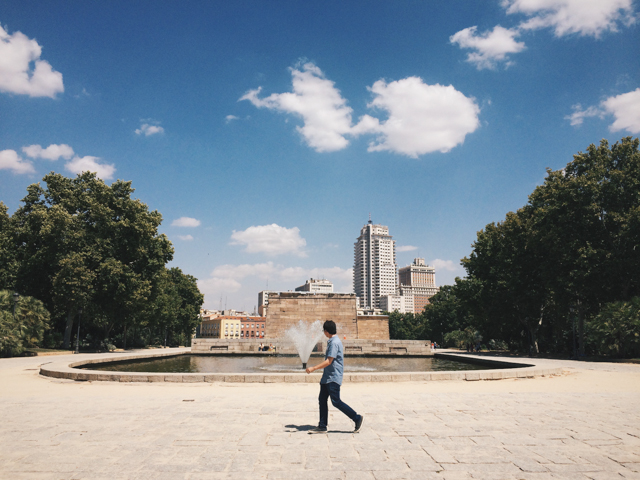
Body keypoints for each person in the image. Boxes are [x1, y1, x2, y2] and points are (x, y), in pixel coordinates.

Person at [306, 320, 364, 434]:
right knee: (322, 400)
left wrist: (313, 368)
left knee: (336, 401)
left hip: (333, 378)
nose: (324, 333)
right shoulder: (332, 341)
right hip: (326, 378)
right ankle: (322, 426)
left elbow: (329, 361)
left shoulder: (334, 343)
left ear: (327, 331)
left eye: (324, 331)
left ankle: (356, 418)